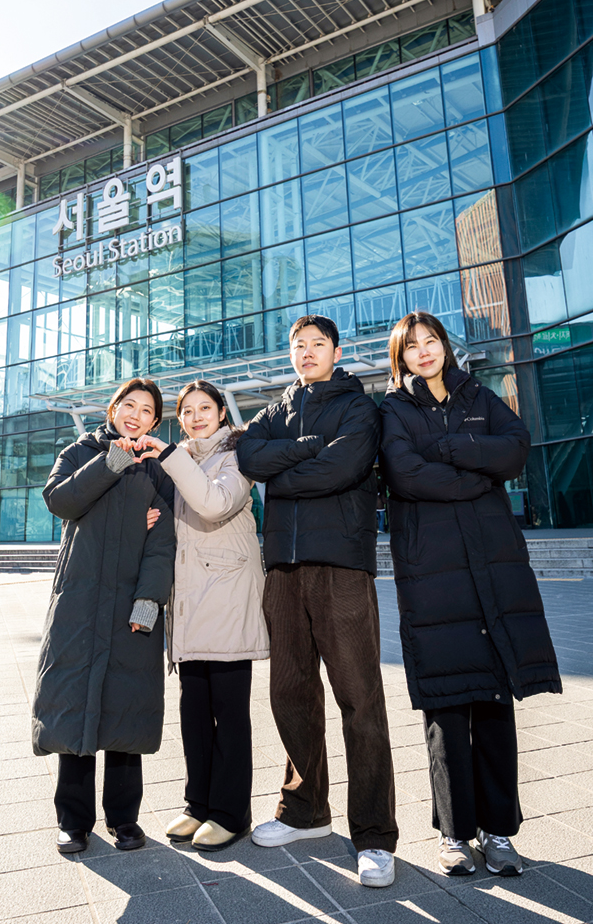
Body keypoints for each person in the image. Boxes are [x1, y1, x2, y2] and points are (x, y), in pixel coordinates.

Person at [379, 311, 562, 877]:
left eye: (431, 341)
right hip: (431, 570)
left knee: (494, 700)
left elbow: (516, 448)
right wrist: (476, 471)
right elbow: (404, 474)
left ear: (444, 347)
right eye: (413, 346)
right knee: (447, 706)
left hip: (491, 566)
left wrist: (454, 448)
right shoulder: (393, 409)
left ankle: (500, 832)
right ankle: (455, 835)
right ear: (401, 357)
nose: (425, 352)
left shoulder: (478, 394)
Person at [236, 314, 399, 889]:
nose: (306, 353)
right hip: (282, 568)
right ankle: (305, 812)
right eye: (298, 346)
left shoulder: (359, 407)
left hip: (341, 566)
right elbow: (249, 457)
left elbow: (343, 467)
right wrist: (302, 452)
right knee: (289, 692)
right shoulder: (277, 410)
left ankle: (375, 835)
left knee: (359, 697)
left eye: (317, 345)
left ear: (335, 350)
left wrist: (283, 473)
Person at [31, 378, 175, 856]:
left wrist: (148, 602)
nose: (136, 415)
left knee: (125, 714)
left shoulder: (157, 471)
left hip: (130, 608)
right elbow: (63, 501)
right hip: (80, 606)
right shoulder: (79, 452)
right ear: (113, 409)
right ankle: (73, 822)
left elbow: (163, 543)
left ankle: (124, 819)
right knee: (75, 712)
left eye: (147, 410)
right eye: (128, 405)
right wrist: (113, 461)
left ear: (156, 421)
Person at [133, 380, 269, 851]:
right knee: (194, 714)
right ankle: (199, 804)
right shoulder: (177, 461)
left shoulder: (238, 455)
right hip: (190, 605)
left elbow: (213, 505)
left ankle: (232, 813)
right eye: (187, 410)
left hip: (227, 598)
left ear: (221, 414)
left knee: (229, 715)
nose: (195, 416)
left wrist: (172, 457)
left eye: (204, 408)